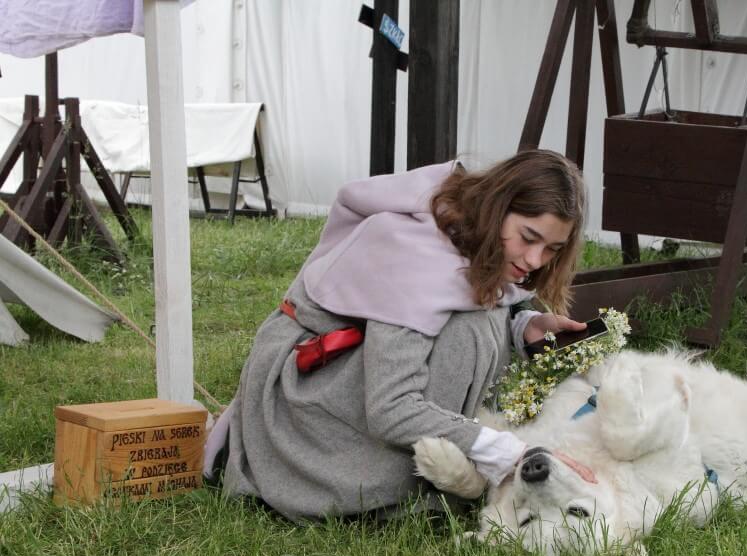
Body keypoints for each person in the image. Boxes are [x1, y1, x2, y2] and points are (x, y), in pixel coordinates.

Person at [204, 149, 588, 521]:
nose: (535, 260)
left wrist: (523, 327)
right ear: (498, 207)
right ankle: (404, 487)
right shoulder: (417, 257)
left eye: (551, 249)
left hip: (353, 375)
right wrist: (505, 451)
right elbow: (390, 409)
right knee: (467, 332)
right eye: (528, 237)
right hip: (304, 401)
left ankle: (440, 470)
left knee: (477, 326)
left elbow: (481, 300)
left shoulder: (474, 234)